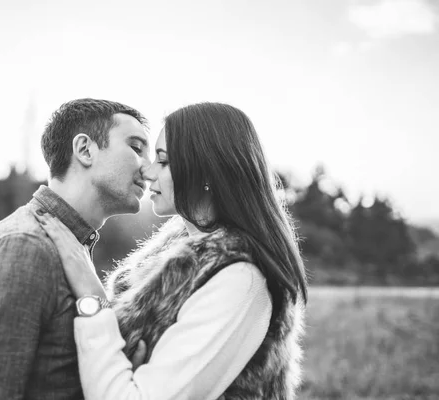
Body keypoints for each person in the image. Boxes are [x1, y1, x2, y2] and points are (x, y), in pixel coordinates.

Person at [36, 102, 308, 400]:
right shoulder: (171, 258)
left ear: (206, 173)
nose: (148, 171)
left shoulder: (238, 280)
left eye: (163, 162)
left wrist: (92, 298)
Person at [0, 98, 152, 399]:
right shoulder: (22, 249)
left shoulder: (69, 246)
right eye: (136, 148)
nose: (148, 169)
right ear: (85, 149)